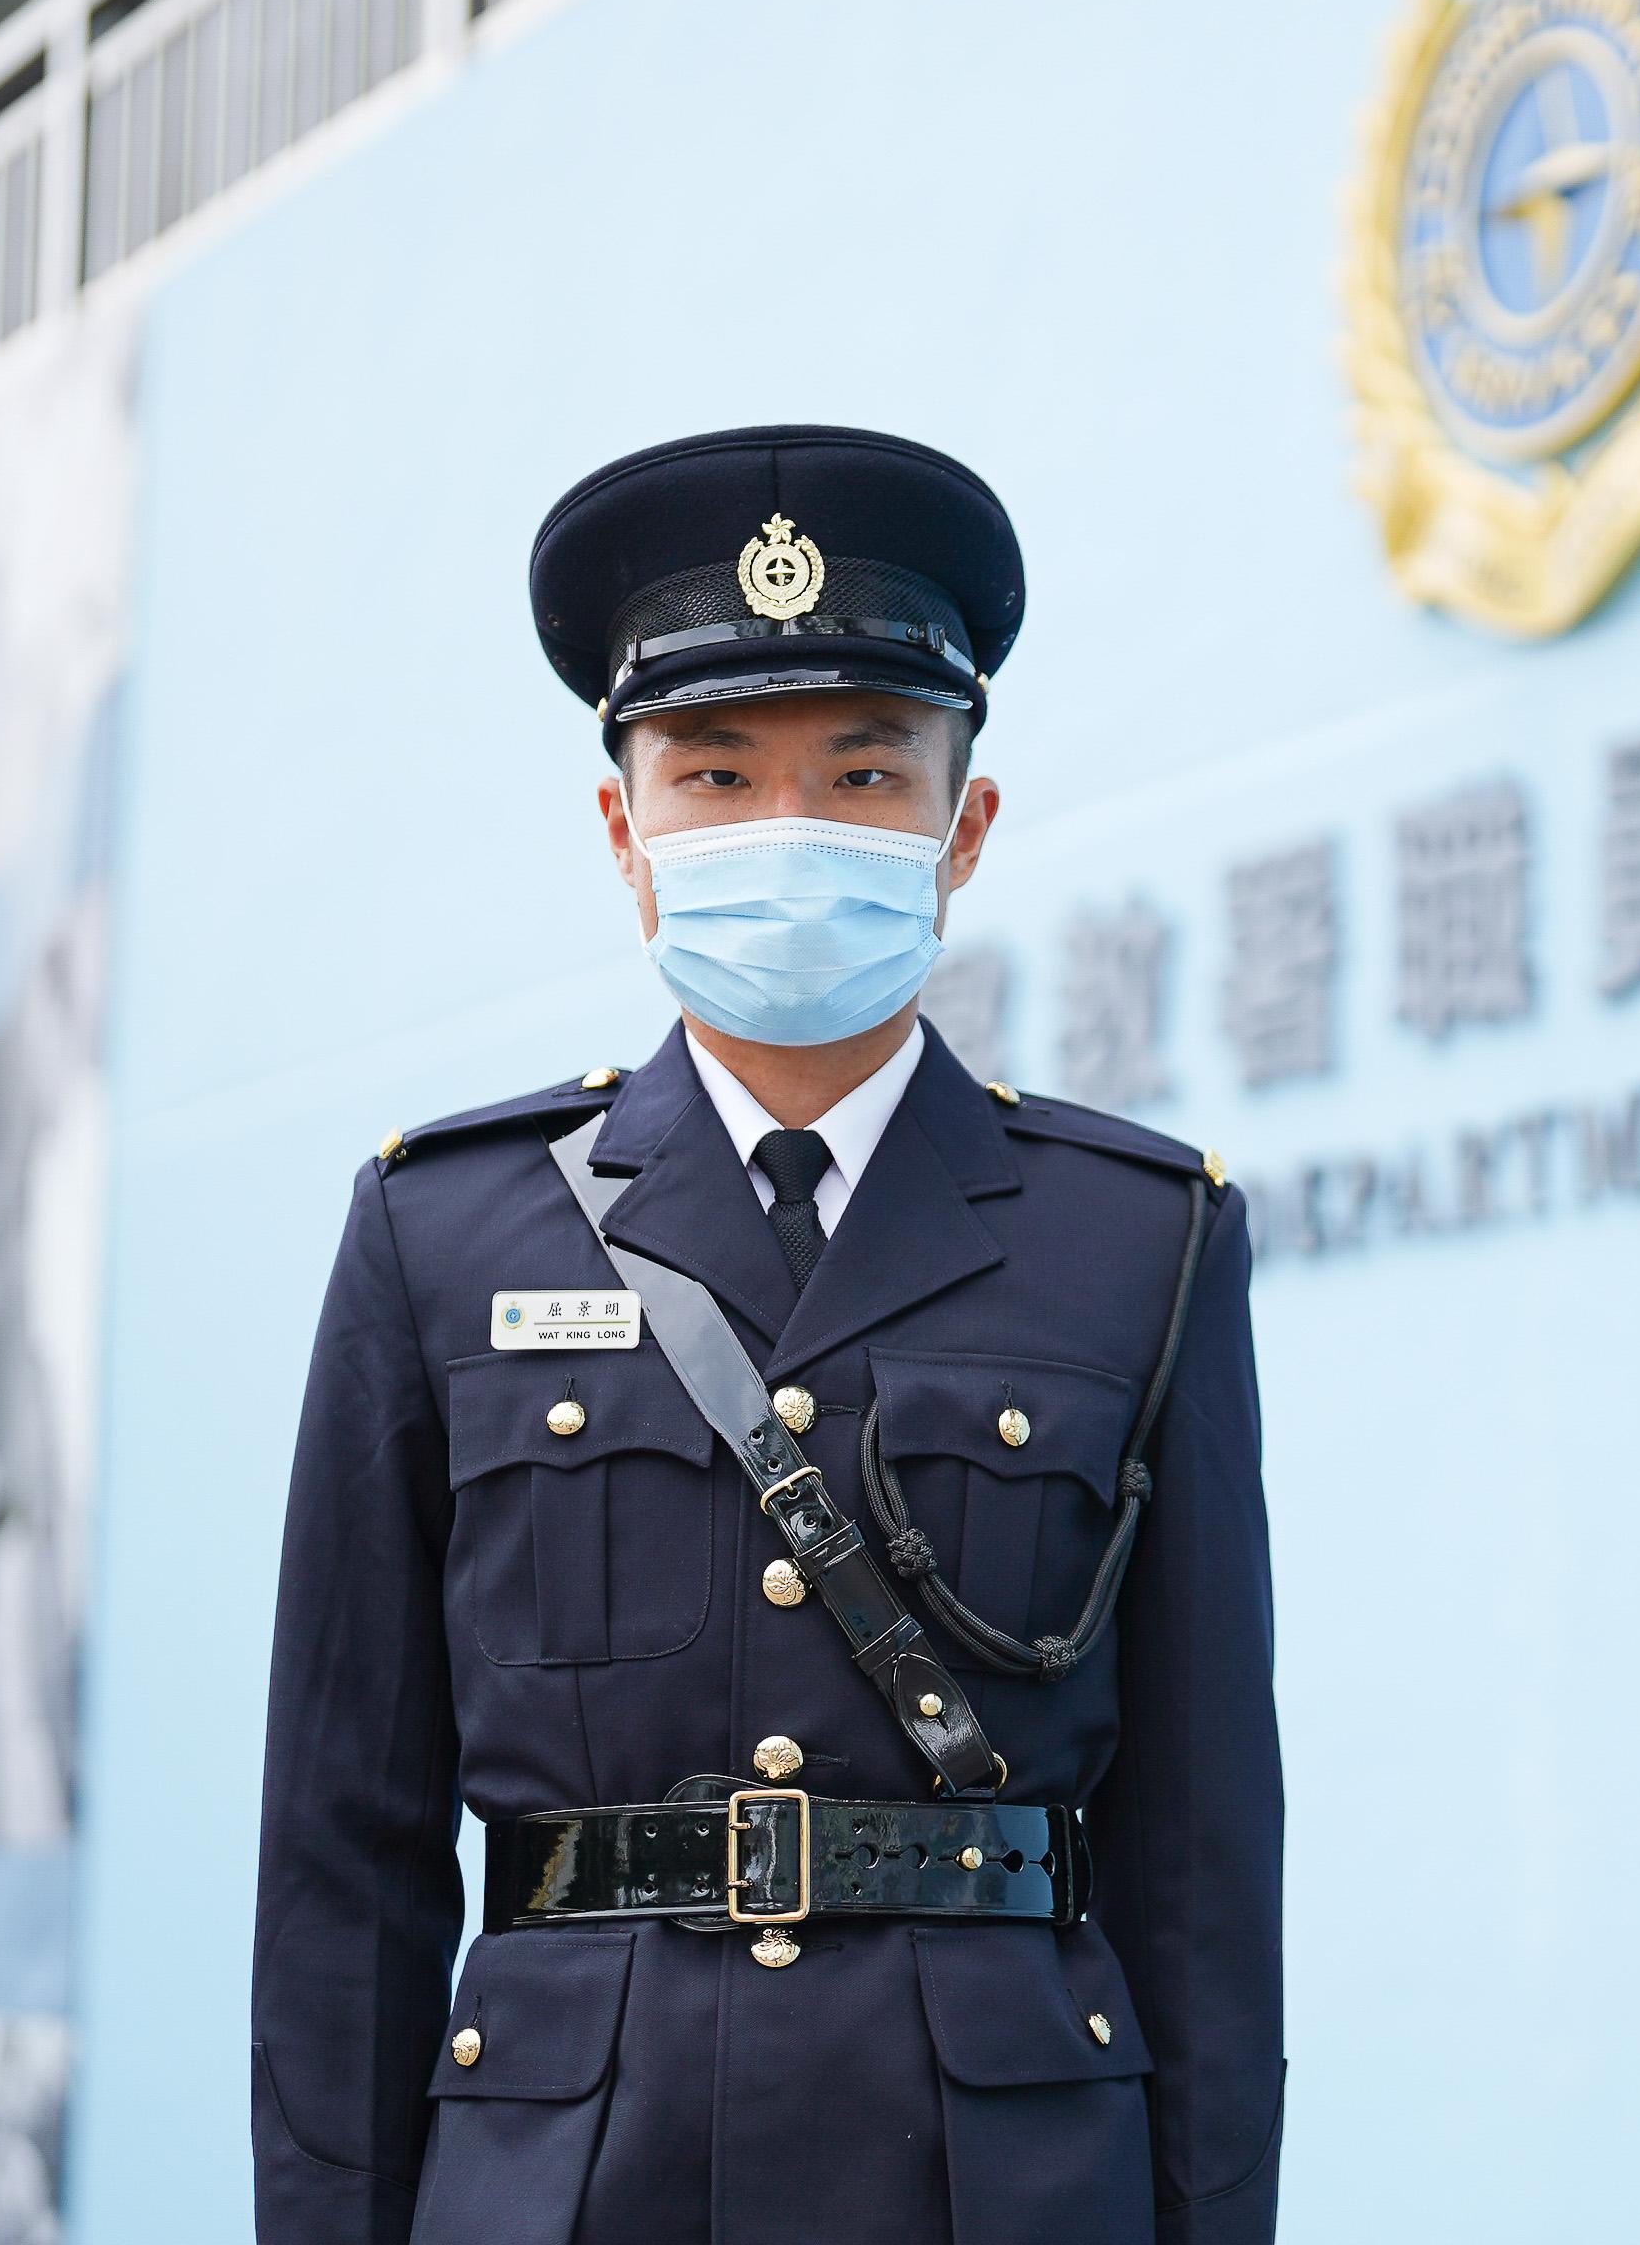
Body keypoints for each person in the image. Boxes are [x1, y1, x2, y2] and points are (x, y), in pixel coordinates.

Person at [249, 426, 1282, 2245]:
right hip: (571, 2184)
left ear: (963, 827)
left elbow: (1204, 1863)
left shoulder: (1143, 1242)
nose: (788, 831)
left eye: (865, 771)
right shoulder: (437, 1230)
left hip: (1004, 2186)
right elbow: (348, 1857)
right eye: (715, 773)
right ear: (625, 833)